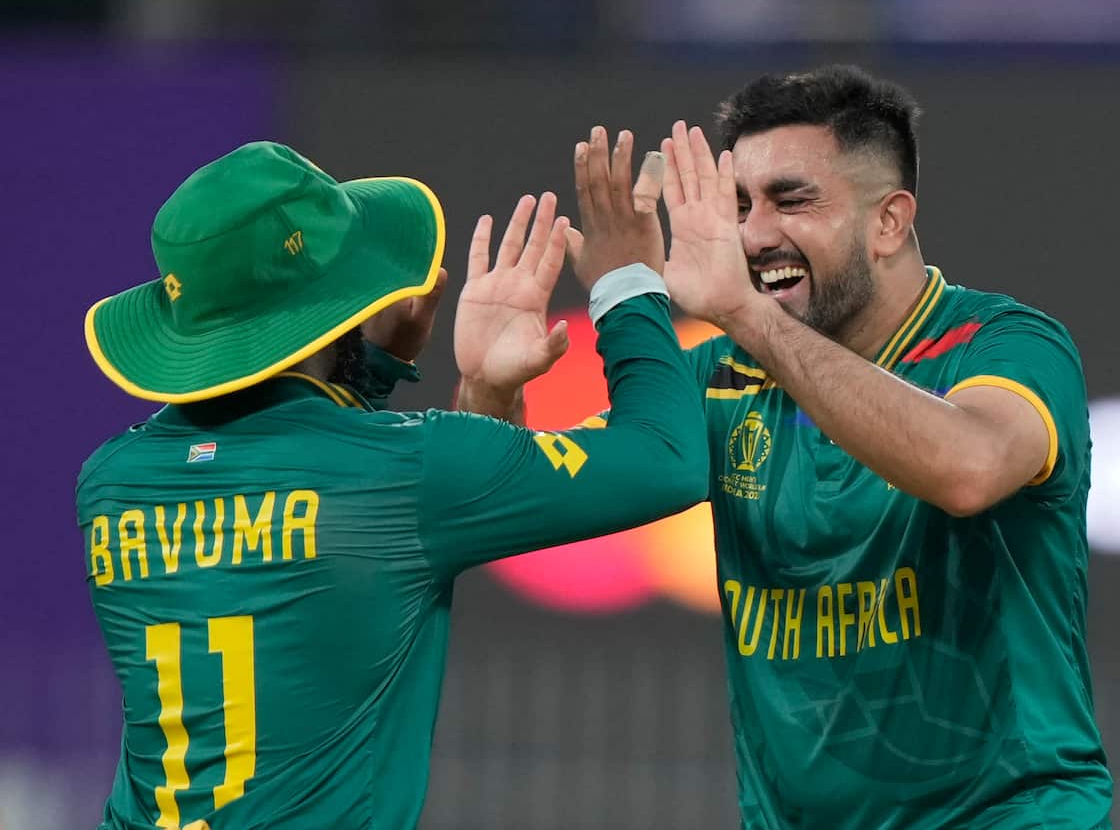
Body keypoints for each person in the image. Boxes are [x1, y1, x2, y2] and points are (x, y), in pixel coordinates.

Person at [460, 70, 1113, 828]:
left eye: (791, 201)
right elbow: (511, 512)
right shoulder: (721, 378)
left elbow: (968, 468)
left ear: (889, 222)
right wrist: (488, 393)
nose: (753, 235)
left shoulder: (1006, 345)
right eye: (739, 206)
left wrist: (744, 314)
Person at [76, 138, 706, 830]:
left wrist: (374, 372)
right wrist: (626, 282)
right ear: (327, 312)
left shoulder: (111, 480)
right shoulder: (410, 469)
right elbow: (668, 455)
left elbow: (307, 496)